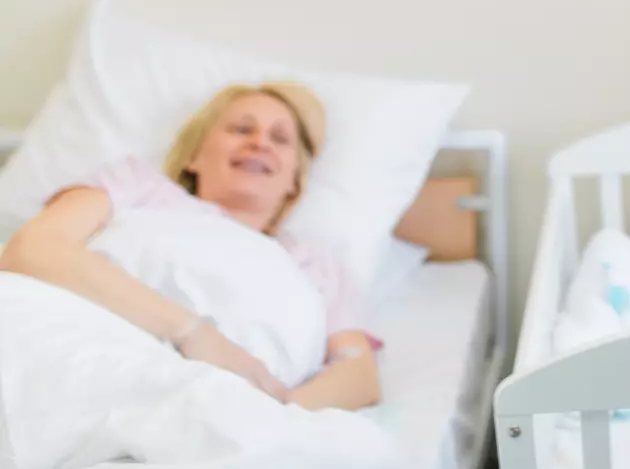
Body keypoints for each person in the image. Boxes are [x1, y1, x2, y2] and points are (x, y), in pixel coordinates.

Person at [0, 82, 381, 412]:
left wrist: (272, 407)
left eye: (279, 139)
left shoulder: (317, 264)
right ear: (196, 155)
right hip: (70, 350)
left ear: (294, 181)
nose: (259, 142)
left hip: (223, 406)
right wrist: (192, 332)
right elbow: (32, 249)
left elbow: (358, 374)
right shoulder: (138, 185)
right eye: (241, 128)